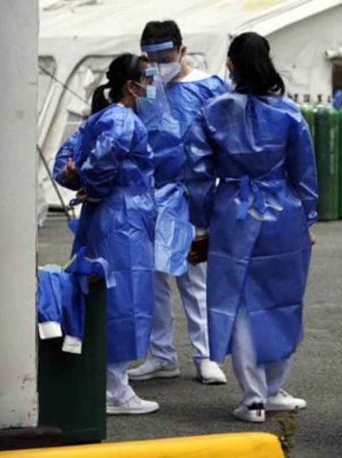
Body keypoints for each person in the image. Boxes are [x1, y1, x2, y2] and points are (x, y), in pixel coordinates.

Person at [183, 32, 318, 423]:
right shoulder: (289, 112)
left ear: (232, 63)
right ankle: (272, 388)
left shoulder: (213, 110)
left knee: (239, 302)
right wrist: (308, 217)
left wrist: (202, 226)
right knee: (282, 301)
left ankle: (254, 397)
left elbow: (196, 173)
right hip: (284, 212)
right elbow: (304, 173)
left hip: (233, 212)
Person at [53, 53, 159, 415]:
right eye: (147, 80)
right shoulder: (123, 120)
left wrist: (76, 178)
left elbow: (65, 160)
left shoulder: (98, 118)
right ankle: (116, 390)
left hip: (105, 219)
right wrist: (91, 183)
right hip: (123, 221)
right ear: (131, 86)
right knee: (123, 300)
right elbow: (104, 160)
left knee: (105, 297)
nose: (152, 88)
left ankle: (112, 383)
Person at [127, 20, 230, 385]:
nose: (158, 66)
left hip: (194, 194)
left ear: (183, 51)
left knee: (194, 277)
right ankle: (162, 354)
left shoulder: (209, 88)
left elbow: (225, 140)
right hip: (151, 193)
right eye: (151, 60)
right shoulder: (146, 89)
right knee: (153, 279)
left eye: (166, 58)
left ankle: (207, 356)